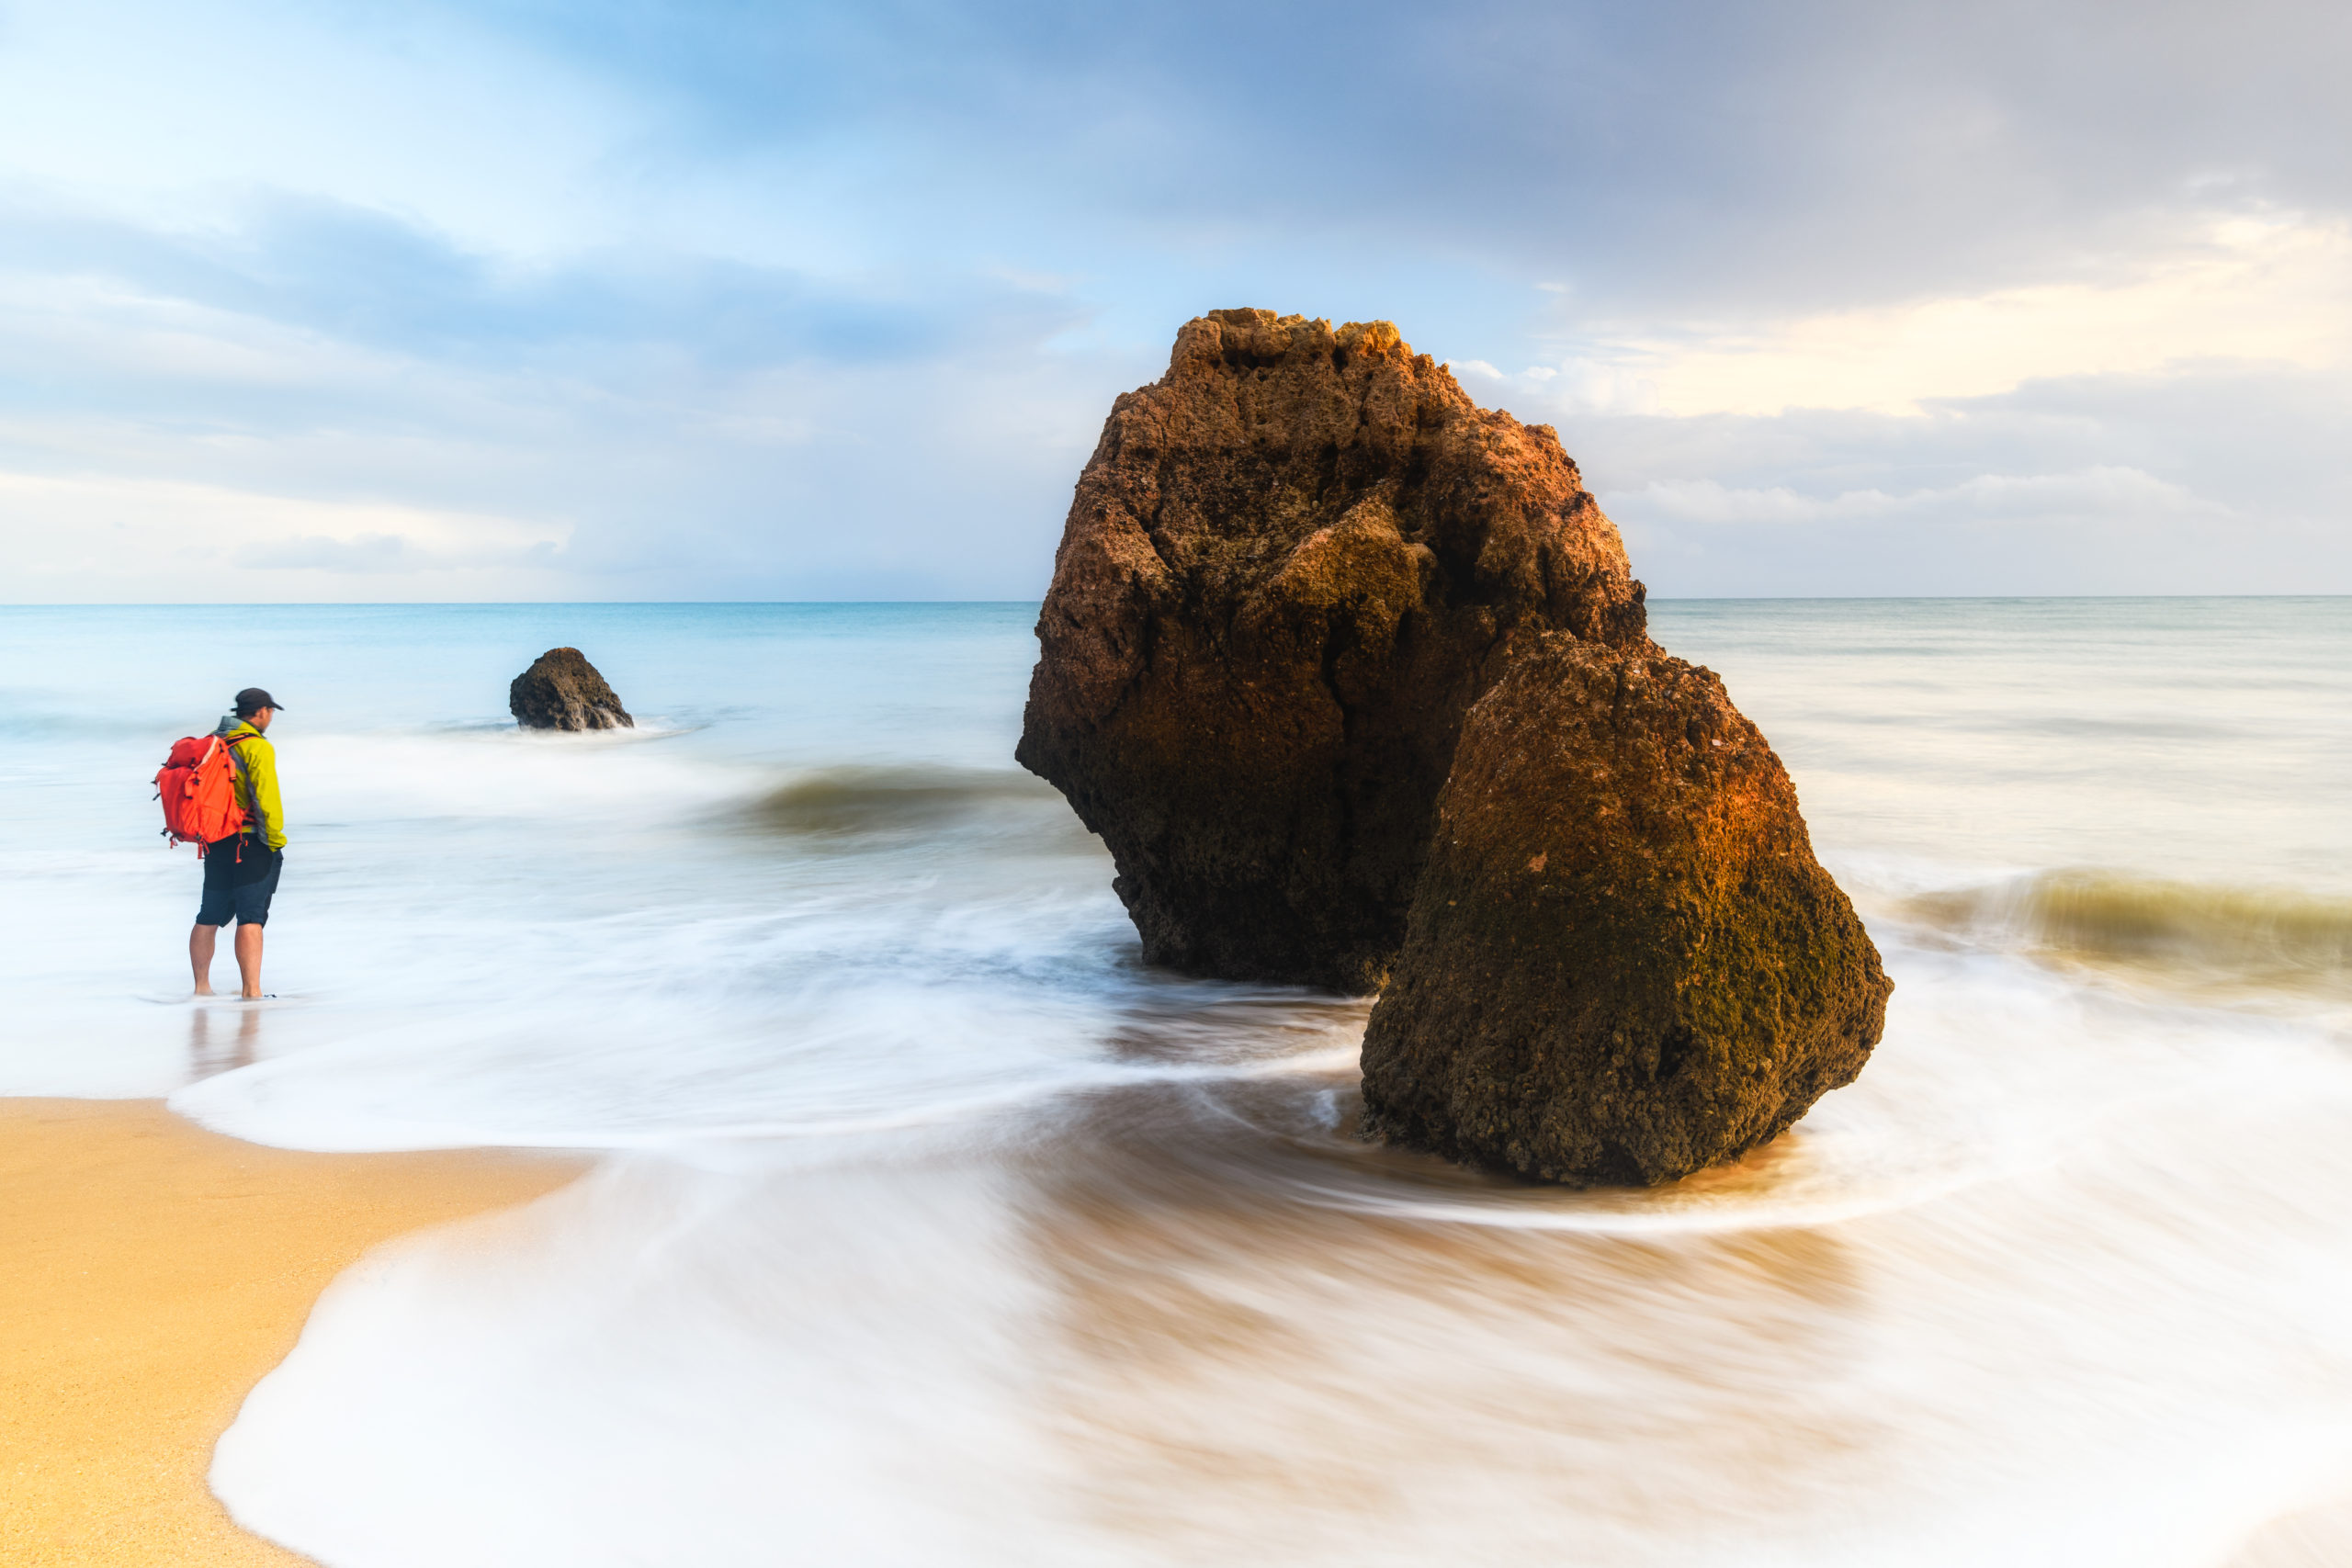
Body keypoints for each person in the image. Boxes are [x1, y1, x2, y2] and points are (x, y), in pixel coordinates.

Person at [190, 687, 287, 999]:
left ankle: (202, 988)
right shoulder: (256, 747)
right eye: (270, 712)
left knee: (208, 914)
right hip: (250, 841)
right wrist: (274, 840)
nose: (270, 717)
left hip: (216, 839)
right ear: (260, 712)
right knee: (251, 917)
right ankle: (251, 991)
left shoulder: (212, 741)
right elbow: (266, 799)